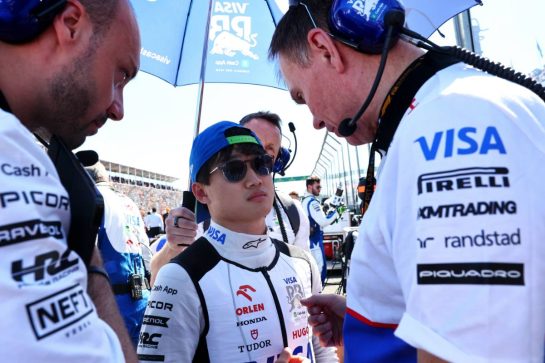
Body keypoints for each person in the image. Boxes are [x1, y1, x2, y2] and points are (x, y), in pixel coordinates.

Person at [269, 1, 545, 362]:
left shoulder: (449, 125)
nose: (315, 121)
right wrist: (367, 320)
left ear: (324, 48)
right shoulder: (447, 111)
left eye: (302, 97)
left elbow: (468, 352)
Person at [0, 0, 140, 361]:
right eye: (121, 75)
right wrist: (90, 260)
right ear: (71, 24)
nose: (118, 109)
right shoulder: (9, 149)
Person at [137, 121, 337, 363]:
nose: (254, 179)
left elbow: (324, 351)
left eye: (261, 164)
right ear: (201, 192)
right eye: (234, 169)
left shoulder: (301, 262)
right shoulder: (181, 277)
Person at [150, 111, 311, 280]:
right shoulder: (197, 217)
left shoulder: (293, 213)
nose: (253, 175)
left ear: (277, 161)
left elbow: (305, 281)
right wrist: (173, 247)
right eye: (237, 164)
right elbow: (156, 279)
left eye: (263, 157)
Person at [78, 150, 152, 348]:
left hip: (113, 303)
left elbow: (85, 253)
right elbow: (146, 252)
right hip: (142, 298)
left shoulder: (93, 199)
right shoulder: (129, 202)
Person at [302, 176, 342, 285]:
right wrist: (337, 213)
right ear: (310, 187)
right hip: (315, 243)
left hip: (310, 241)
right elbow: (323, 222)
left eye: (320, 187)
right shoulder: (312, 202)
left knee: (314, 273)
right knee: (320, 271)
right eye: (317, 187)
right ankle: (318, 298)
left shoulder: (305, 200)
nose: (320, 189)